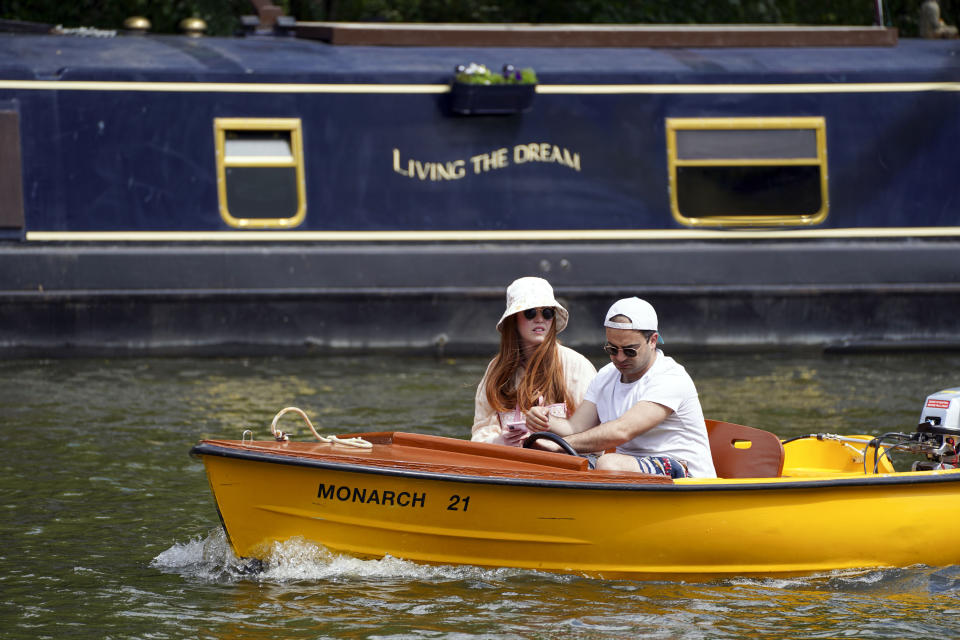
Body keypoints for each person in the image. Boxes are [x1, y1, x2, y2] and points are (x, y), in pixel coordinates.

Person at [527, 297, 716, 478]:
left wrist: (560, 445)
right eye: (612, 349)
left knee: (608, 464)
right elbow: (575, 427)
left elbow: (621, 431)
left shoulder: (670, 377)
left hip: (685, 471)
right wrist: (546, 420)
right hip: (632, 467)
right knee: (557, 461)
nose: (620, 358)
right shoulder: (606, 375)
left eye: (629, 351)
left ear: (653, 340)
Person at [471, 277, 597, 446]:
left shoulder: (576, 365)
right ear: (513, 319)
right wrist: (499, 441)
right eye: (530, 312)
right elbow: (480, 432)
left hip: (561, 464)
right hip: (510, 464)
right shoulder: (496, 368)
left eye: (547, 312)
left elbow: (595, 435)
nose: (540, 319)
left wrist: (551, 443)